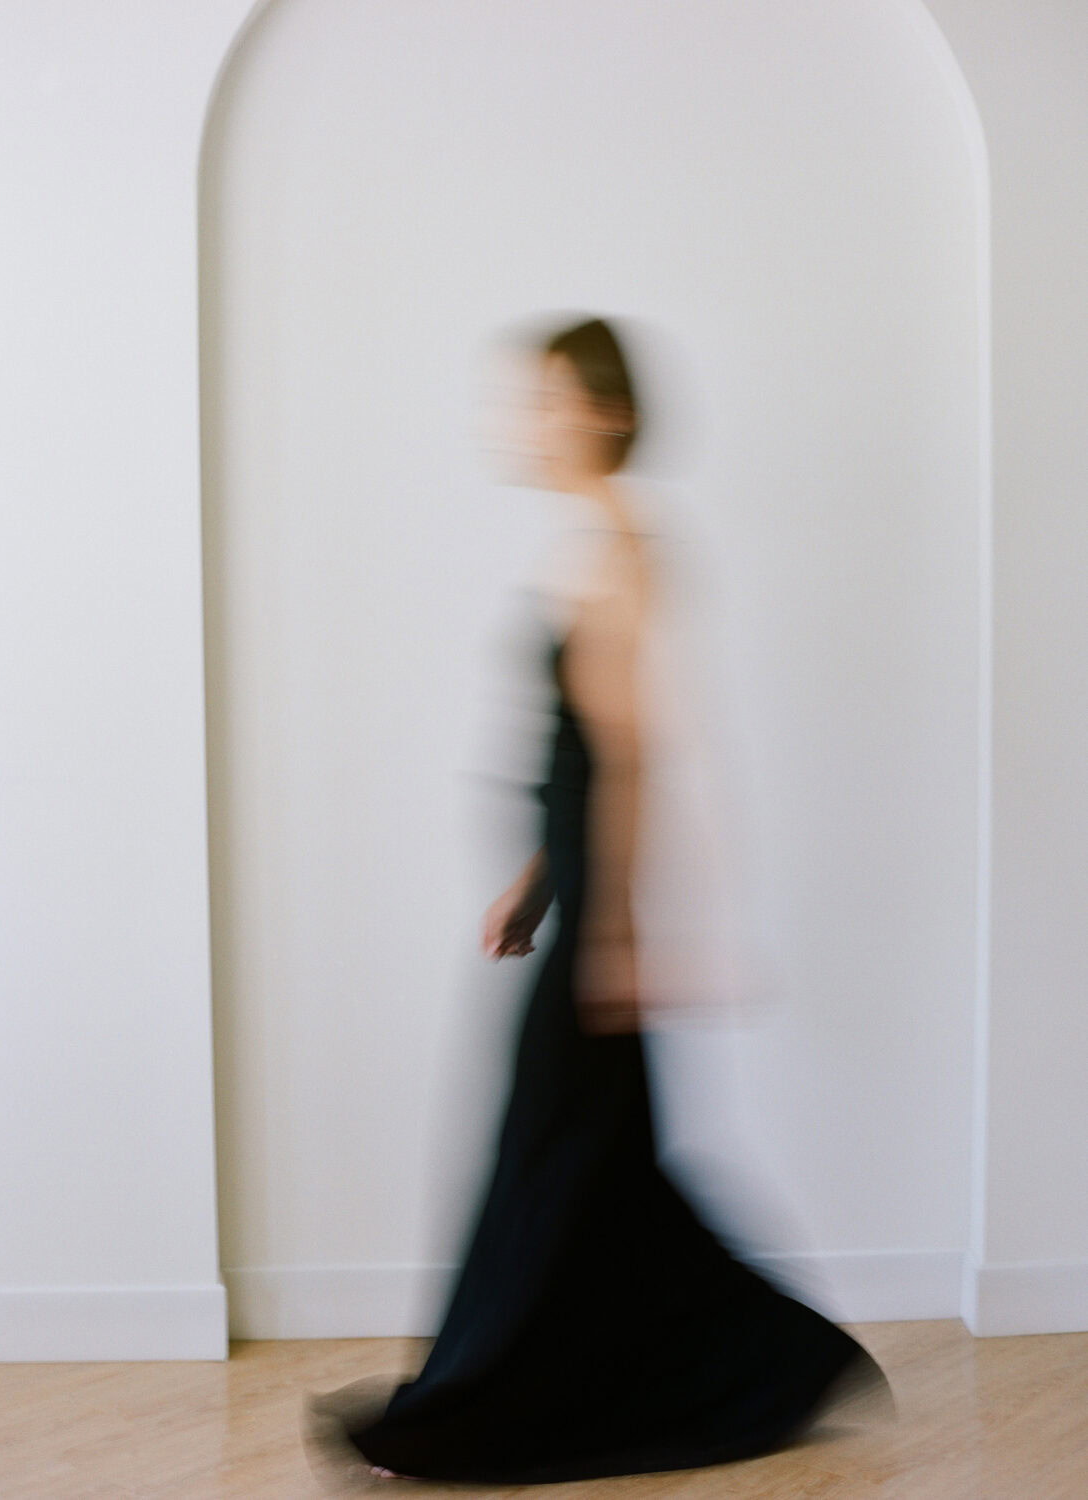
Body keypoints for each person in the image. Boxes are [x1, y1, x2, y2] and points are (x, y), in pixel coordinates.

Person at [301, 315, 892, 1489]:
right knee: (595, 1171)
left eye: (548, 399)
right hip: (578, 912)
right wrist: (535, 881)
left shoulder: (622, 547)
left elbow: (627, 755)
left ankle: (494, 1404)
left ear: (608, 413)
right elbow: (574, 754)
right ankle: (770, 1361)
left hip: (600, 936)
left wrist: (613, 937)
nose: (526, 420)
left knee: (559, 1165)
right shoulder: (585, 546)